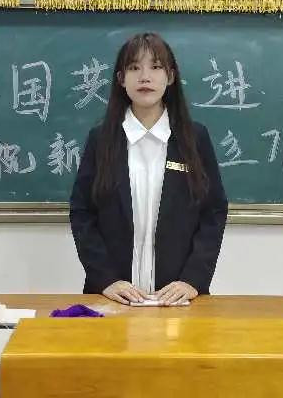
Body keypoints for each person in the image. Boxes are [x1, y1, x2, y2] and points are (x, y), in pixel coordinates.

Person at [69, 32, 228, 306]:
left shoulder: (194, 138)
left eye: (155, 67)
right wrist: (105, 279)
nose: (145, 77)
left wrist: (193, 279)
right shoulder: (101, 139)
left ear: (170, 76)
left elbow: (213, 212)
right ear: (121, 79)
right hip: (113, 298)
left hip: (178, 299)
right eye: (134, 68)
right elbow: (82, 213)